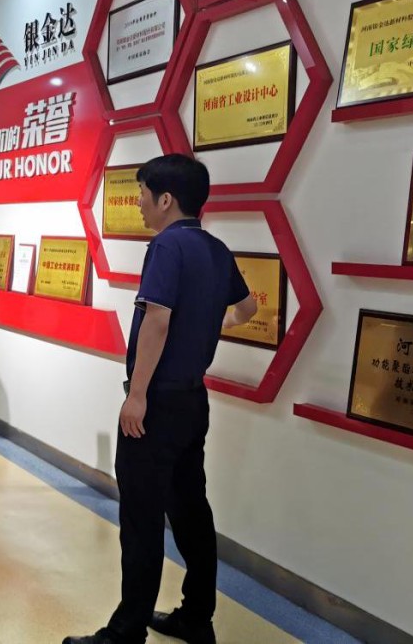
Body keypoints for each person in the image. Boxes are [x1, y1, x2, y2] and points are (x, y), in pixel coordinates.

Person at [64, 155, 258, 644]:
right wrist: (207, 325)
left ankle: (126, 632)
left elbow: (156, 320)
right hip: (193, 402)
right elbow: (248, 307)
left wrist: (137, 396)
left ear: (166, 199)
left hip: (157, 405)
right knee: (192, 509)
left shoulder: (168, 245)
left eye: (143, 193)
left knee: (142, 518)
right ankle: (196, 616)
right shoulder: (215, 248)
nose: (139, 203)